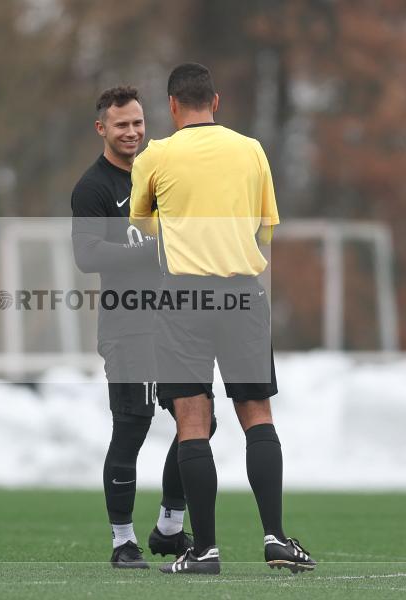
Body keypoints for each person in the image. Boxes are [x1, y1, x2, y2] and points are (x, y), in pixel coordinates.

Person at [129, 63, 316, 575]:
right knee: (257, 415)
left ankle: (205, 550)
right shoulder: (251, 149)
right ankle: (276, 538)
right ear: (217, 101)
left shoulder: (156, 155)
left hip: (184, 296)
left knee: (193, 421)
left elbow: (144, 227)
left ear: (171, 106)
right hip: (242, 295)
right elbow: (265, 229)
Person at [71, 86, 215, 568]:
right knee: (132, 426)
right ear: (102, 130)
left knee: (201, 423)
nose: (131, 132)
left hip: (178, 321)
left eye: (137, 123)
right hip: (127, 324)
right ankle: (122, 542)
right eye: (120, 125)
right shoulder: (93, 188)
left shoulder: (164, 171)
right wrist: (152, 250)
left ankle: (170, 529)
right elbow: (87, 255)